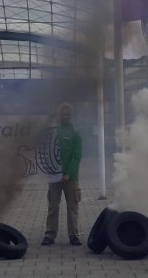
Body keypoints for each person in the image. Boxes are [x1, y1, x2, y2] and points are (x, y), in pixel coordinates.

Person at [42, 103, 83, 246]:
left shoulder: (75, 133)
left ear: (71, 116)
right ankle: (50, 234)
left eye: (68, 115)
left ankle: (74, 235)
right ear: (58, 116)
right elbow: (46, 151)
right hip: (54, 176)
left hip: (71, 177)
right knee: (53, 205)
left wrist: (69, 174)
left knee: (72, 207)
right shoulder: (51, 132)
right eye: (63, 114)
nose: (65, 117)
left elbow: (77, 156)